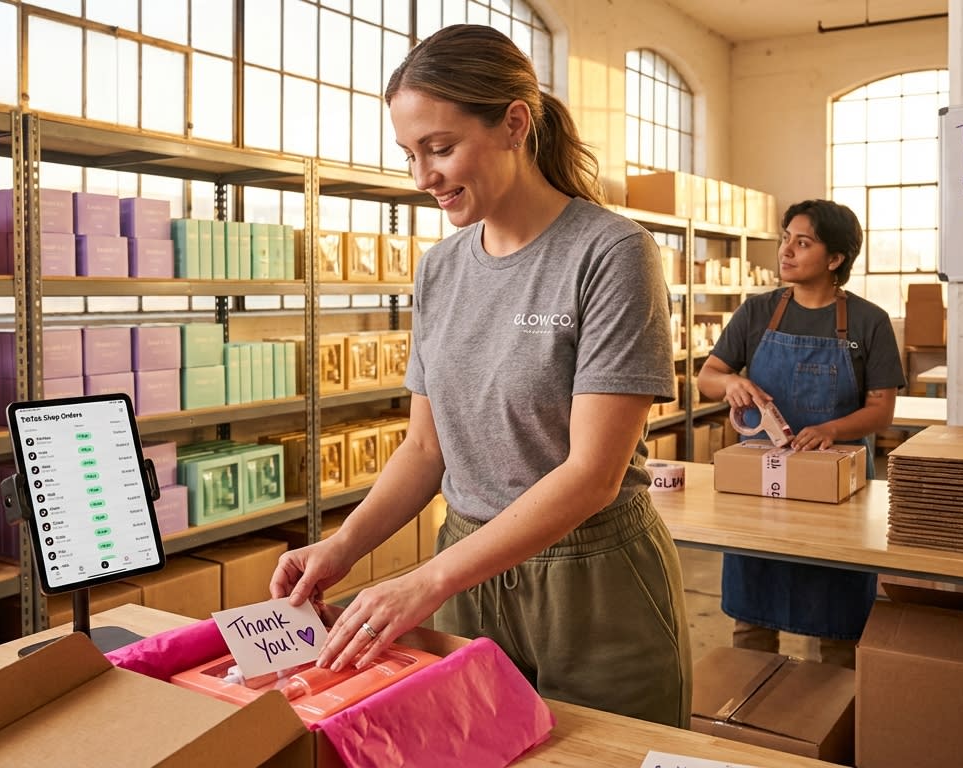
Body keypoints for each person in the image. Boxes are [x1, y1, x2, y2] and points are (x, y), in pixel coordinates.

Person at [269, 24, 692, 727]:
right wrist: (342, 548)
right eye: (410, 154)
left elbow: (592, 474)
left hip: (593, 584)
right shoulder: (440, 269)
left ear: (514, 124)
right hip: (466, 572)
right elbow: (426, 450)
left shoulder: (611, 253)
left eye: (440, 148)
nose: (422, 176)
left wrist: (423, 582)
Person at [695, 199, 905, 668]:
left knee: (839, 622)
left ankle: (829, 731)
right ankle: (746, 720)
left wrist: (831, 428)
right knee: (751, 616)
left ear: (835, 260)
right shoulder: (757, 312)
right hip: (760, 488)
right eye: (785, 239)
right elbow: (707, 376)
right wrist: (731, 383)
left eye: (802, 242)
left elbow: (881, 411)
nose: (786, 251)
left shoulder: (869, 322)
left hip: (834, 491)